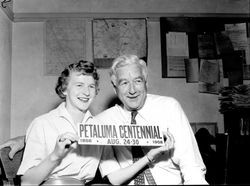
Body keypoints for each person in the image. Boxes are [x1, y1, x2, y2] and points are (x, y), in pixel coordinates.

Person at [2, 59, 173, 185]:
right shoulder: (42, 124)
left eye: (91, 86)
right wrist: (55, 156)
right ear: (63, 89)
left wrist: (149, 156)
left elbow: (114, 177)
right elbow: (27, 183)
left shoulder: (99, 128)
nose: (86, 92)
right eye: (79, 85)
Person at [95, 54, 208, 185]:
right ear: (115, 88)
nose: (132, 90)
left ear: (146, 82)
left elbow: (191, 164)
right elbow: (113, 177)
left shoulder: (169, 107)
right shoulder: (102, 122)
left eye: (137, 81)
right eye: (124, 83)